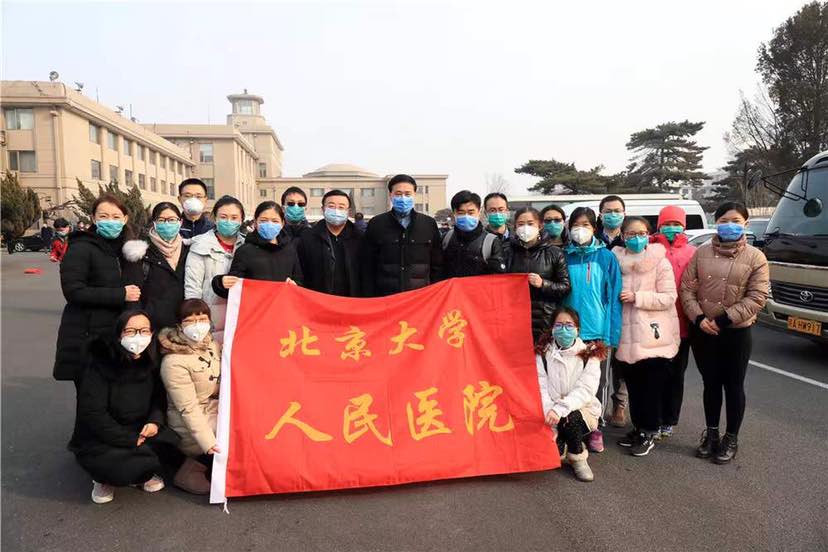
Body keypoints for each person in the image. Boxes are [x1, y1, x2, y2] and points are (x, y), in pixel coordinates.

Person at [680, 201, 769, 464]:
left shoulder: (756, 257)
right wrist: (699, 318)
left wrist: (721, 320)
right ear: (715, 224)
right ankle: (711, 434)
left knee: (733, 385)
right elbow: (687, 289)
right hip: (703, 330)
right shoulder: (701, 253)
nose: (729, 225)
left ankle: (731, 438)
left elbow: (757, 297)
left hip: (735, 332)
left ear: (745, 224)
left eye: (735, 220)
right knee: (710, 384)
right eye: (723, 221)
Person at [70, 310, 179, 504]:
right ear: (119, 334)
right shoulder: (100, 364)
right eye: (130, 331)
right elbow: (93, 413)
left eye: (144, 331)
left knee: (172, 447)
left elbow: (158, 398)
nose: (138, 336)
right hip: (104, 434)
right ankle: (103, 479)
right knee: (119, 467)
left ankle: (141, 472)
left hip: (140, 428)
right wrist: (128, 439)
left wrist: (154, 421)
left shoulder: (151, 361)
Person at [54, 195, 144, 388]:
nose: (110, 221)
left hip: (123, 336)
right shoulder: (80, 248)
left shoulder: (132, 250)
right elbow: (73, 291)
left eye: (116, 216)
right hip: (89, 336)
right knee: (92, 397)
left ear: (125, 219)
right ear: (94, 219)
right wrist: (120, 294)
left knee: (123, 397)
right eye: (104, 216)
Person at [612, 216, 679, 457]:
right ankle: (638, 428)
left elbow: (669, 297)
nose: (636, 238)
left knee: (651, 387)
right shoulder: (616, 260)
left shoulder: (660, 262)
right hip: (626, 335)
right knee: (634, 386)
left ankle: (650, 431)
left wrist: (637, 297)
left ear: (649, 235)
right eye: (631, 234)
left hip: (653, 335)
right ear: (623, 236)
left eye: (641, 233)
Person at [562, 206, 622, 453]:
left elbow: (614, 298)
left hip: (597, 331)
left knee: (597, 383)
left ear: (594, 228)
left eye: (586, 225)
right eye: (576, 225)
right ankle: (570, 426)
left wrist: (611, 334)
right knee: (569, 381)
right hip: (568, 332)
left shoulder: (606, 257)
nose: (580, 230)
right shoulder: (563, 256)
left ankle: (595, 426)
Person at [158, 299, 221, 495]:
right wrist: (208, 442)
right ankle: (190, 467)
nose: (197, 325)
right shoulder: (173, 362)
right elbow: (188, 409)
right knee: (229, 431)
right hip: (188, 422)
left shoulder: (212, 345)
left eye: (202, 319)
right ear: (179, 325)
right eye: (190, 321)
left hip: (211, 406)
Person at [536, 307, 606, 482]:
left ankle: (578, 456)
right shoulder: (543, 354)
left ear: (577, 330)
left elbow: (585, 390)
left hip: (582, 411)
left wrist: (559, 410)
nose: (564, 329)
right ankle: (562, 442)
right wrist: (549, 412)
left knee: (570, 419)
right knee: (551, 452)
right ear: (552, 328)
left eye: (569, 325)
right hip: (551, 411)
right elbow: (541, 386)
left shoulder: (589, 356)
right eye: (559, 325)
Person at [650, 205, 696, 439]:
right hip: (654, 324)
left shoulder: (693, 252)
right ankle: (653, 418)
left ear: (683, 226)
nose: (671, 228)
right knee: (654, 374)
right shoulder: (649, 249)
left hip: (682, 325)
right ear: (659, 226)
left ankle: (669, 419)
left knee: (676, 375)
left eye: (676, 224)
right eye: (666, 224)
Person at [361, 174, 443, 296]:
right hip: (386, 296)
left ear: (414, 195)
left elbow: (437, 264)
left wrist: (434, 293)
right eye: (398, 194)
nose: (403, 198)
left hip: (420, 296)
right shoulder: (377, 224)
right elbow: (367, 264)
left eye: (407, 194)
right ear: (390, 195)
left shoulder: (428, 224)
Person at [184, 195, 245, 343]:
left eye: (234, 218)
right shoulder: (200, 246)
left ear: (241, 220)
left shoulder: (247, 246)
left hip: (240, 320)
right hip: (210, 321)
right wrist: (196, 322)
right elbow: (192, 289)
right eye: (223, 217)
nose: (228, 221)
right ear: (214, 218)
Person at [213, 200, 302, 298]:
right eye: (263, 221)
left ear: (282, 223)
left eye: (275, 221)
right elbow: (233, 288)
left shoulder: (289, 250)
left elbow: (299, 282)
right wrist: (220, 283)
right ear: (255, 223)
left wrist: (295, 286)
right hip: (255, 306)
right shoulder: (244, 251)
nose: (269, 224)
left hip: (282, 305)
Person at [507, 207, 571, 343]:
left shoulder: (554, 253)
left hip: (544, 321)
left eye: (530, 223)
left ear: (540, 226)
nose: (525, 228)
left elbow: (565, 287)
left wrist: (543, 284)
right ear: (515, 227)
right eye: (521, 224)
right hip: (514, 320)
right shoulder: (506, 251)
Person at [123, 202, 189, 330]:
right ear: (154, 223)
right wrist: (138, 326)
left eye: (172, 219)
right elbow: (133, 295)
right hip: (152, 327)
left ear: (180, 222)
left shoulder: (189, 251)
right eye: (161, 220)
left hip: (185, 326)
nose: (167, 224)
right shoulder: (140, 253)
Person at [297, 190, 363, 296]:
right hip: (318, 300)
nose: (336, 211)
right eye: (331, 206)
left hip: (352, 300)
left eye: (341, 207)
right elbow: (301, 271)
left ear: (348, 211)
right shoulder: (308, 237)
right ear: (323, 209)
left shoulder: (360, 238)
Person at [442, 190, 506, 278]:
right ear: (454, 213)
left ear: (479, 212)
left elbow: (497, 278)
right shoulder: (446, 239)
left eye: (471, 212)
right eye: (461, 213)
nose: (466, 216)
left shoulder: (491, 242)